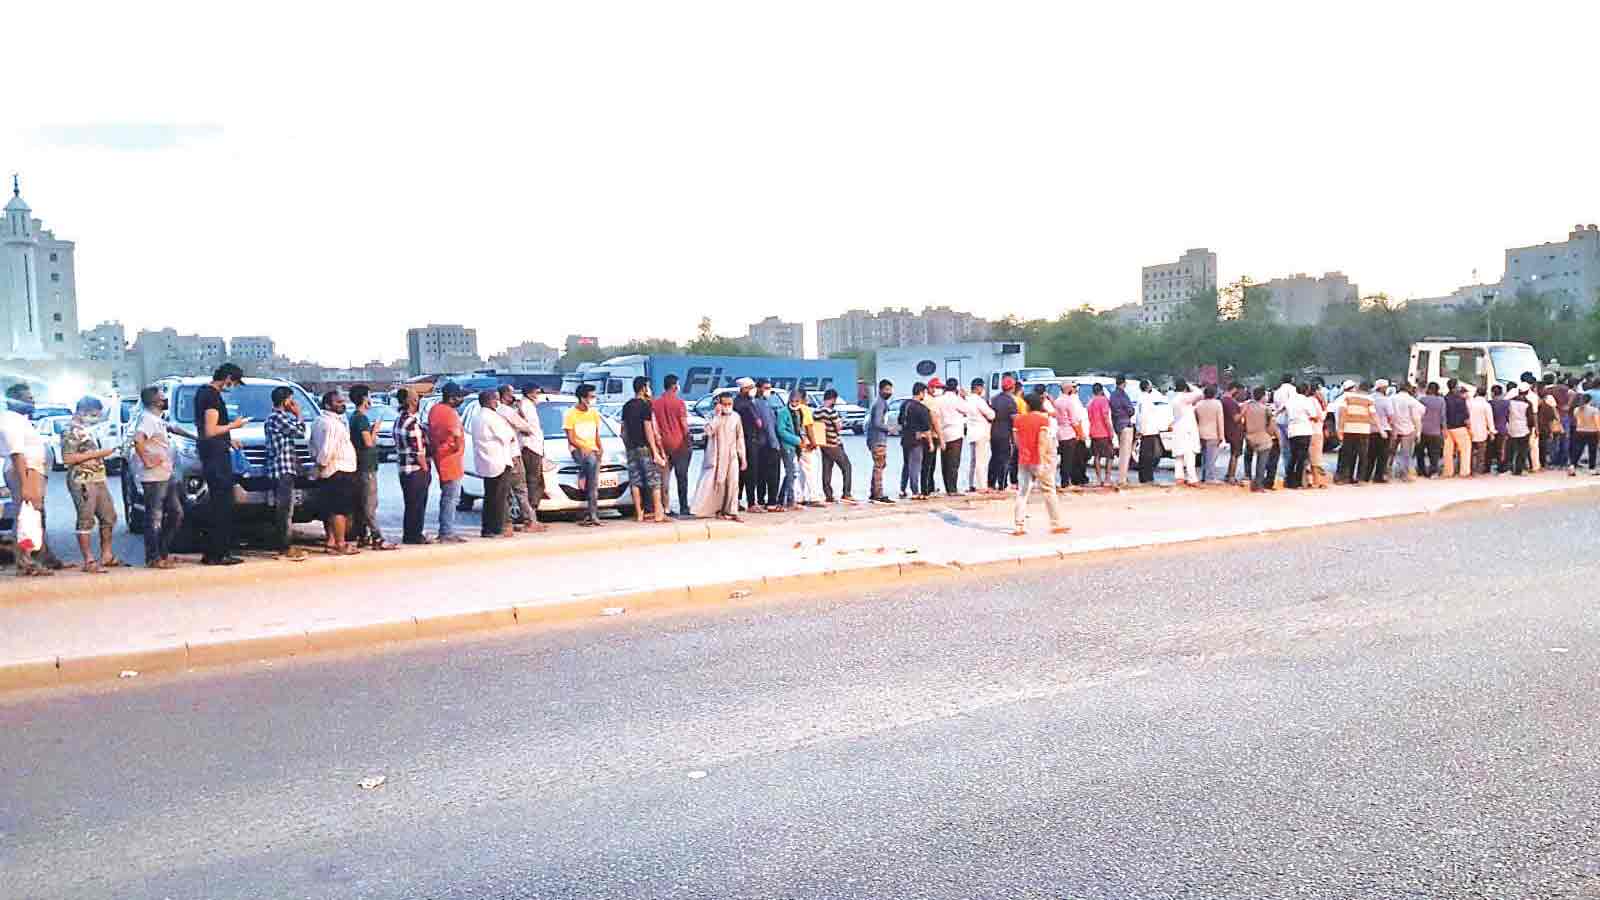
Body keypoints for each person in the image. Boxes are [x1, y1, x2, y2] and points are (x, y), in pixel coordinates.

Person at [131, 385, 193, 568]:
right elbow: (138, 439)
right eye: (162, 397)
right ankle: (153, 557)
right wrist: (147, 460)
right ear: (155, 401)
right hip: (154, 476)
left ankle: (163, 552)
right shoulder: (148, 420)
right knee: (154, 517)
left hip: (165, 474)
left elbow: (172, 428)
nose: (165, 399)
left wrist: (196, 437)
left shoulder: (157, 420)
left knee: (176, 513)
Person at [59, 396, 123, 573]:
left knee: (109, 516)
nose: (96, 418)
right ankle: (89, 560)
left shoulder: (86, 430)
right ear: (82, 412)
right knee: (85, 519)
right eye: (94, 414)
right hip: (82, 480)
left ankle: (107, 555)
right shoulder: (70, 431)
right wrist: (99, 453)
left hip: (97, 477)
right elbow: (68, 458)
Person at [195, 363, 249, 566]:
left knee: (218, 504)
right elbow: (210, 430)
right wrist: (234, 426)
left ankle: (214, 551)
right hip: (216, 457)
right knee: (222, 505)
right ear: (227, 378)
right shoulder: (211, 396)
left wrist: (228, 439)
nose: (232, 387)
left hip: (213, 451)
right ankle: (218, 552)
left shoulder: (203, 392)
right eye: (233, 382)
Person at [2, 383, 55, 574]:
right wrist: (25, 484)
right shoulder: (11, 421)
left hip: (31, 471)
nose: (32, 400)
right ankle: (25, 562)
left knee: (31, 517)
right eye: (27, 397)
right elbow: (16, 453)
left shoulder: (20, 420)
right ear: (14, 400)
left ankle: (32, 559)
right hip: (25, 472)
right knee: (26, 517)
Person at [309, 390, 360, 555]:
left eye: (342, 401)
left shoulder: (318, 421)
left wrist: (319, 465)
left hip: (331, 470)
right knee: (340, 510)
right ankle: (341, 543)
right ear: (327, 405)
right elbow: (326, 449)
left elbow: (312, 446)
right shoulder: (332, 424)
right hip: (338, 470)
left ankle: (331, 542)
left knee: (330, 509)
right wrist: (322, 465)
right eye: (338, 402)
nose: (342, 404)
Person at [1011, 392, 1069, 537]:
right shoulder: (1043, 420)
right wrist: (1043, 460)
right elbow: (1042, 441)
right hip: (1038, 459)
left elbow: (1016, 441)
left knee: (1022, 493)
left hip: (1024, 459)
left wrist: (1024, 451)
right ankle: (1056, 524)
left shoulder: (1018, 420)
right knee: (1049, 491)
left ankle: (1019, 526)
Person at [346, 385, 394, 550]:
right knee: (369, 503)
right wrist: (375, 430)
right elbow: (368, 442)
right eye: (369, 396)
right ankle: (377, 537)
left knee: (361, 502)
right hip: (366, 465)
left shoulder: (354, 417)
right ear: (364, 398)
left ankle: (362, 535)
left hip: (359, 465)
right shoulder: (361, 419)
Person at [264, 386, 309, 561]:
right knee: (285, 509)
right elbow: (300, 432)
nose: (293, 403)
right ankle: (284, 547)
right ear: (285, 401)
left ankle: (284, 544)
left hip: (283, 467)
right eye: (291, 400)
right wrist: (298, 414)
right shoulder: (278, 418)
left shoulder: (275, 418)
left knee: (285, 508)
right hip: (283, 468)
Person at [692, 391, 746, 519]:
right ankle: (717, 510)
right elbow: (708, 431)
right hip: (717, 457)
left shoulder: (736, 417)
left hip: (731, 455)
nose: (728, 406)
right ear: (719, 404)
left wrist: (742, 457)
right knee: (718, 484)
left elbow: (740, 438)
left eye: (730, 404)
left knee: (733, 483)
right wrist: (717, 415)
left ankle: (732, 511)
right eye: (725, 404)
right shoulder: (712, 416)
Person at [495, 384, 539, 533]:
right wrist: (519, 410)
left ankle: (506, 525)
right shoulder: (506, 410)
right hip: (512, 455)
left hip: (499, 456)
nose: (514, 397)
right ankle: (530, 521)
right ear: (504, 396)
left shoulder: (494, 411)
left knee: (505, 491)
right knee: (520, 489)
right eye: (511, 394)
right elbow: (526, 427)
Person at [429, 382, 469, 543]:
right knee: (450, 497)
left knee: (448, 496)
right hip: (450, 459)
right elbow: (455, 433)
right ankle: (446, 531)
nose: (462, 400)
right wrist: (457, 446)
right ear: (452, 398)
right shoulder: (449, 413)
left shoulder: (435, 410)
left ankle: (446, 530)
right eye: (460, 397)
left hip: (442, 457)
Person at [472, 389, 516, 536]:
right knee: (498, 498)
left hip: (487, 461)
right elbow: (506, 436)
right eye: (496, 399)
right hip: (498, 461)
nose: (498, 402)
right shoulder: (491, 417)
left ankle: (488, 528)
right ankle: (495, 528)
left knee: (490, 497)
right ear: (490, 400)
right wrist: (511, 433)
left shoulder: (477, 416)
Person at [392, 388, 432, 545]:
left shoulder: (398, 420)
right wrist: (426, 469)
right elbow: (419, 451)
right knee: (418, 504)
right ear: (412, 402)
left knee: (410, 504)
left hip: (403, 469)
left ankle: (409, 534)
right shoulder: (412, 423)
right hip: (415, 470)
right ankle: (416, 535)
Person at [565, 384, 606, 526]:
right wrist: (583, 447)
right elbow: (571, 438)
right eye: (591, 396)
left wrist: (600, 447)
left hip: (592, 450)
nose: (593, 399)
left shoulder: (594, 413)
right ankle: (593, 514)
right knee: (592, 468)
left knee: (593, 479)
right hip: (578, 449)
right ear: (582, 398)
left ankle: (583, 475)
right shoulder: (571, 414)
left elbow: (596, 434)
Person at [654, 374, 692, 517]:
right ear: (675, 386)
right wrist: (689, 440)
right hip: (679, 445)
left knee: (664, 478)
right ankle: (684, 507)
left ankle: (665, 508)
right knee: (682, 477)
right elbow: (684, 424)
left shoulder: (655, 403)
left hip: (663, 446)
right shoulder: (679, 403)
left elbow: (655, 425)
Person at [513, 385, 549, 527]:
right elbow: (524, 426)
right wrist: (527, 431)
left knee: (537, 482)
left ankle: (531, 515)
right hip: (529, 447)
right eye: (537, 392)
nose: (539, 395)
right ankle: (530, 517)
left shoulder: (530, 406)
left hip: (535, 447)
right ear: (530, 393)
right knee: (533, 482)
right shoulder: (524, 405)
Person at [815, 389, 855, 503]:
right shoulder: (831, 412)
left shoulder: (817, 411)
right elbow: (839, 427)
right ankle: (846, 493)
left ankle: (828, 495)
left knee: (827, 469)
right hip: (833, 443)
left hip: (823, 443)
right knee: (846, 466)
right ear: (833, 399)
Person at [1332, 381, 1374, 485]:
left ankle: (1343, 477)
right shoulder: (1354, 398)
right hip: (1354, 429)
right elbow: (1343, 414)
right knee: (1356, 455)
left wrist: (1339, 429)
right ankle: (1352, 477)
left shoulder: (1340, 398)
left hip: (1346, 429)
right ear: (1353, 388)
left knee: (1346, 455)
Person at [789, 388, 825, 507]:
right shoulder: (805, 409)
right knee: (811, 470)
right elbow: (809, 427)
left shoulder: (788, 408)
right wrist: (814, 442)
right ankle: (813, 497)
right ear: (803, 398)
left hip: (795, 444)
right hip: (806, 443)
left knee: (800, 471)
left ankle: (799, 496)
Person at [733, 378, 765, 511]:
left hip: (738, 442)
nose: (753, 389)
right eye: (751, 387)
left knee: (740, 473)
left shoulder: (735, 402)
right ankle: (752, 503)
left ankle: (737, 501)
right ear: (744, 389)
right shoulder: (747, 404)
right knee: (751, 473)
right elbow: (759, 423)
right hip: (750, 441)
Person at [770, 383, 802, 509]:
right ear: (789, 400)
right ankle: (790, 501)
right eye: (793, 401)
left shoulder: (798, 412)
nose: (795, 403)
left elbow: (798, 428)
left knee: (792, 473)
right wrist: (797, 440)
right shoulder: (783, 412)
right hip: (786, 446)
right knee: (791, 473)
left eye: (797, 401)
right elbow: (781, 430)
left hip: (795, 447)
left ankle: (781, 498)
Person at [935, 377, 968, 495]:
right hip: (955, 433)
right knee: (953, 463)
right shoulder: (956, 399)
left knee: (944, 462)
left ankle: (947, 487)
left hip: (942, 433)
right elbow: (967, 409)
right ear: (956, 387)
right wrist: (963, 396)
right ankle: (953, 489)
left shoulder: (939, 400)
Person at [900, 382, 933, 500]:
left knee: (906, 464)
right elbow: (927, 429)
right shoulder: (922, 408)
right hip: (916, 441)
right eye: (924, 392)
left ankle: (902, 489)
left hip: (905, 439)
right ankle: (915, 491)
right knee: (915, 466)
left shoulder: (904, 405)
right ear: (920, 393)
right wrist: (930, 443)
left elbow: (900, 421)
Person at [1134, 379, 1171, 485]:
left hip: (1148, 429)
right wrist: (1141, 429)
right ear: (1148, 387)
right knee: (1148, 456)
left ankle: (1145, 476)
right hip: (1148, 430)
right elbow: (1143, 416)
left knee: (1147, 455)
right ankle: (1146, 477)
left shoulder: (1143, 398)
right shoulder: (1146, 399)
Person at [866, 379, 896, 504]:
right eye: (887, 390)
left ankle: (874, 492)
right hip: (878, 439)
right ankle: (878, 494)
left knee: (879, 465)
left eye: (890, 390)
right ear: (880, 390)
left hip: (874, 438)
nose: (889, 392)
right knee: (879, 466)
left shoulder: (879, 402)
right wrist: (889, 428)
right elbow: (877, 422)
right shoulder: (880, 403)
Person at [755, 379, 784, 510]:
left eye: (770, 388)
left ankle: (760, 500)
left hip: (760, 445)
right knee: (773, 475)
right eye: (766, 387)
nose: (768, 390)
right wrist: (775, 444)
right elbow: (768, 426)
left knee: (761, 474)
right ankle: (772, 502)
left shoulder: (762, 402)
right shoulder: (762, 404)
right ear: (759, 388)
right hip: (768, 445)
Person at [1169, 379, 1203, 487]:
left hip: (1178, 428)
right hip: (1187, 429)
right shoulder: (1184, 397)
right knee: (1190, 454)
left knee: (1179, 455)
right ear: (1184, 388)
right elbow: (1200, 393)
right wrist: (1190, 384)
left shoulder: (1174, 398)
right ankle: (1192, 479)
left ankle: (1179, 477)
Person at [963, 379, 994, 493]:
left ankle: (971, 484)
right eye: (982, 387)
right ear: (978, 388)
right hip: (981, 432)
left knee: (973, 461)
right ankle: (982, 486)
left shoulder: (967, 400)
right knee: (981, 461)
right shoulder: (978, 400)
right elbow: (991, 415)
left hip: (971, 433)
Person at [1243, 387, 1276, 492]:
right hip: (1262, 437)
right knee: (1261, 462)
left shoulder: (1246, 407)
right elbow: (1271, 426)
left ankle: (1248, 476)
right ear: (1262, 397)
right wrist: (1271, 435)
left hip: (1249, 436)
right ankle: (1258, 485)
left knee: (1248, 456)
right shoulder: (1266, 409)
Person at [1052, 379, 1084, 489]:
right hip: (1069, 432)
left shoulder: (1057, 401)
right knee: (1068, 460)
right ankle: (1066, 482)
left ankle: (1063, 481)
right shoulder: (1069, 402)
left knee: (1063, 459)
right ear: (1067, 389)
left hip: (1059, 432)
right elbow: (1074, 420)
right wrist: (1079, 433)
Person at [988, 376, 1019, 490]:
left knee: (994, 458)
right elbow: (1014, 418)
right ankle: (1002, 484)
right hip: (1005, 434)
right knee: (1005, 459)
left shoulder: (994, 399)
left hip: (994, 433)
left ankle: (991, 484)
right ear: (1012, 387)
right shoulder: (1011, 401)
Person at [1389, 383, 1423, 483]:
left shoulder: (1391, 398)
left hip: (1393, 429)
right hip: (1408, 429)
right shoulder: (1412, 401)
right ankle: (1405, 474)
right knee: (1406, 454)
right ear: (1409, 389)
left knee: (1390, 452)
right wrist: (1418, 432)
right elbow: (1417, 418)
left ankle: (1386, 472)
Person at [1284, 382, 1316, 488]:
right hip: (1304, 430)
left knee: (1293, 457)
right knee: (1301, 458)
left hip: (1292, 431)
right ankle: (1297, 482)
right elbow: (1313, 415)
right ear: (1306, 390)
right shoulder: (1306, 401)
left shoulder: (1290, 401)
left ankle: (1288, 480)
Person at [920, 378, 947, 496]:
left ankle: (929, 486)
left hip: (927, 435)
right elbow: (935, 421)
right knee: (929, 464)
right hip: (932, 435)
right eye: (937, 387)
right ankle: (927, 488)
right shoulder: (930, 402)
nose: (939, 390)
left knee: (929, 463)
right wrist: (941, 439)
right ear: (930, 388)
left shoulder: (927, 400)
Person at [1194, 385, 1224, 484]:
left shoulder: (1198, 404)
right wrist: (1221, 436)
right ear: (1215, 394)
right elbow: (1220, 421)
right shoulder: (1217, 404)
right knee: (1211, 457)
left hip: (1201, 432)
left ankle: (1204, 476)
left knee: (1204, 456)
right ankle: (1209, 477)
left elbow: (1196, 419)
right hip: (1213, 433)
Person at [1365, 380, 1393, 484]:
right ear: (1382, 388)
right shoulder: (1386, 400)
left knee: (1370, 455)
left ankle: (1366, 476)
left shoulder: (1369, 398)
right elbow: (1390, 416)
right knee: (1383, 455)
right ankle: (1379, 476)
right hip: (1384, 430)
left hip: (1370, 430)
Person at [1442, 380, 1472, 477]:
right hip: (1460, 428)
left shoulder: (1444, 399)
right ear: (1455, 387)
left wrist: (1444, 428)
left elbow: (1443, 415)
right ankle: (1464, 472)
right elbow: (1466, 416)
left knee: (1448, 451)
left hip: (1448, 428)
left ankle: (1448, 472)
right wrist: (1470, 429)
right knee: (1465, 450)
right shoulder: (1461, 400)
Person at [1087, 382, 1114, 487]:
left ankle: (1099, 478)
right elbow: (1105, 417)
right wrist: (1111, 430)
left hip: (1093, 431)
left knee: (1097, 456)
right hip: (1103, 432)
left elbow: (1089, 417)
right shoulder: (1104, 401)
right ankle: (1107, 478)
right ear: (1101, 390)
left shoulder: (1090, 402)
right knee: (1110, 455)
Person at [1417, 382, 1446, 478]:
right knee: (1434, 453)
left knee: (1420, 452)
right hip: (1435, 431)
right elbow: (1442, 417)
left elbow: (1418, 414)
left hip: (1422, 430)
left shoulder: (1422, 400)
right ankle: (1433, 472)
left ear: (1428, 389)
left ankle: (1421, 470)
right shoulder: (1441, 401)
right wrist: (1444, 430)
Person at [1468, 384, 1495, 476]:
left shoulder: (1470, 403)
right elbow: (1489, 420)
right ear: (1485, 394)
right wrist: (1492, 432)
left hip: (1470, 432)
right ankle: (1479, 471)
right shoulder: (1486, 405)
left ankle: (1470, 469)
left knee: (1470, 453)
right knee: (1481, 454)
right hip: (1482, 432)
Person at [1220, 383, 1245, 485]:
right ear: (1235, 390)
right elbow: (1236, 418)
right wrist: (1244, 410)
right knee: (1235, 454)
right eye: (1240, 392)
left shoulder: (1223, 400)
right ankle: (1231, 476)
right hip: (1234, 431)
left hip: (1228, 429)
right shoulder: (1229, 402)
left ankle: (1229, 475)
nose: (1242, 395)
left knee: (1234, 454)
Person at [1506, 385, 1534, 475]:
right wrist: (1531, 428)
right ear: (1526, 393)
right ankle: (1518, 470)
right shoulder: (1528, 404)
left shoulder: (1510, 403)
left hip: (1511, 428)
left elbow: (1506, 415)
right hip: (1523, 429)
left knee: (1511, 449)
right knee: (1522, 450)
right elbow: (1530, 419)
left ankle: (1509, 468)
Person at [1571, 393, 1599, 475]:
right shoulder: (1594, 410)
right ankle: (1592, 469)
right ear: (1590, 400)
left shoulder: (1576, 409)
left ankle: (1572, 466)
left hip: (1579, 431)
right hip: (1592, 432)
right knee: (1592, 451)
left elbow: (1577, 420)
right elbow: (1597, 423)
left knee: (1578, 450)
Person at [1488, 383, 1511, 474]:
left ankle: (1487, 467)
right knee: (1501, 450)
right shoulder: (1507, 403)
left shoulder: (1489, 403)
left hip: (1491, 430)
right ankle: (1502, 468)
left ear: (1492, 393)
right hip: (1503, 428)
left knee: (1490, 450)